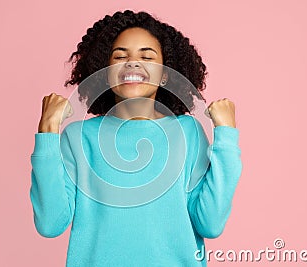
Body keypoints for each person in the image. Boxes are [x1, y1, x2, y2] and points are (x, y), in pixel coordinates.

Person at [30, 10, 242, 267]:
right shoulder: (78, 138)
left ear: (165, 74)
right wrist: (47, 131)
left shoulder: (188, 133)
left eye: (146, 56)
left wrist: (227, 137)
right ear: (105, 71)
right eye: (120, 56)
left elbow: (210, 223)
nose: (132, 63)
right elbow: (50, 223)